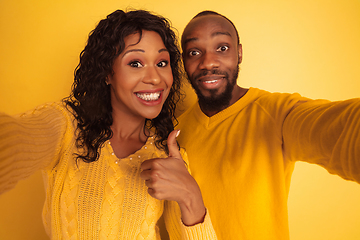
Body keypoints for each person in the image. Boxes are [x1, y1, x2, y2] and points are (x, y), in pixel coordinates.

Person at [0, 9, 217, 239]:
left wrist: (191, 195)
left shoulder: (169, 155)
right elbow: (17, 141)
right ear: (107, 73)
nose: (155, 78)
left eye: (162, 62)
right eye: (135, 63)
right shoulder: (66, 127)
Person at [176, 10, 360, 240]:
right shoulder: (175, 132)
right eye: (194, 52)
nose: (208, 62)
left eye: (222, 48)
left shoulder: (277, 113)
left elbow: (339, 128)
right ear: (183, 61)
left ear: (239, 53)